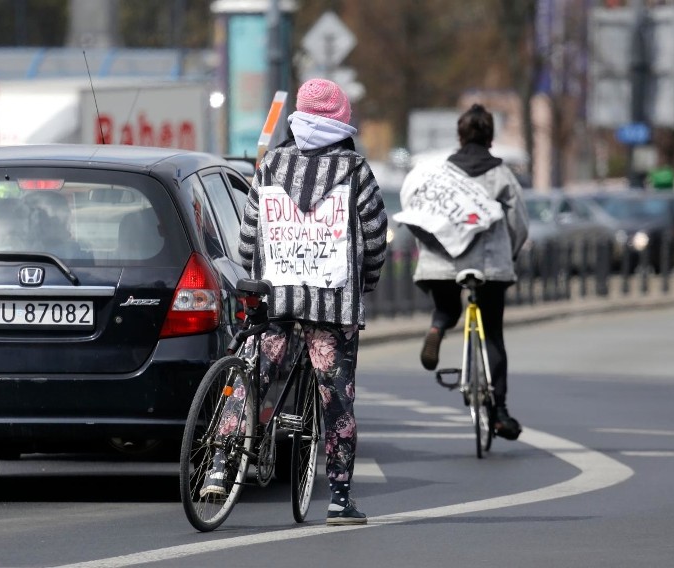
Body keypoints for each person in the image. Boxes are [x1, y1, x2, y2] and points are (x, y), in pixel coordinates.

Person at [203, 78, 387, 526]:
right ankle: (340, 499)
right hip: (331, 304)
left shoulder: (270, 165)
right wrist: (368, 280)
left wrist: (252, 274)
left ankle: (219, 465)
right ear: (342, 121)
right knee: (335, 399)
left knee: (252, 376)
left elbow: (250, 232)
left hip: (275, 299)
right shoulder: (354, 169)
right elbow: (377, 235)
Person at [400, 103, 529, 441]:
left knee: (447, 306)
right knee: (493, 334)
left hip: (441, 264)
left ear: (459, 136)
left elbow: (417, 210)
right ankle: (499, 412)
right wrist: (509, 256)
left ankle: (438, 326)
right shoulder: (502, 175)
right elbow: (519, 224)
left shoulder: (440, 173)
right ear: (491, 136)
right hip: (489, 266)